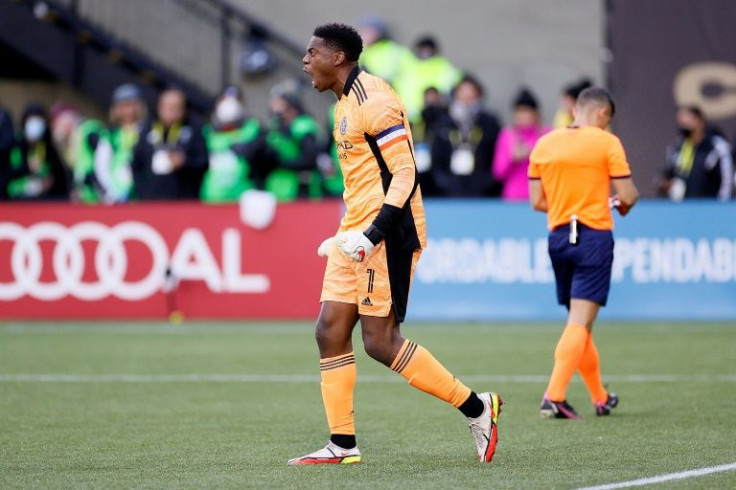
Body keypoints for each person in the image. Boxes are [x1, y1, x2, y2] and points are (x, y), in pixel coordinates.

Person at [290, 22, 501, 466]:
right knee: (328, 331)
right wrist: (350, 230)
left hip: (387, 234)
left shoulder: (376, 101)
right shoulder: (342, 103)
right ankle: (342, 445)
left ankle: (478, 408)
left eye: (312, 53)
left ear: (338, 58)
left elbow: (405, 174)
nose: (305, 60)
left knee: (380, 342)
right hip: (355, 233)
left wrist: (373, 233)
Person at [528, 87, 639, 418]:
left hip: (559, 238)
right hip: (593, 238)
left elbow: (537, 201)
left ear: (576, 109)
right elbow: (629, 195)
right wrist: (617, 204)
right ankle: (554, 395)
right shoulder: (606, 142)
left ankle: (600, 396)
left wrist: (568, 205)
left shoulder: (545, 143)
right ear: (603, 113)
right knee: (580, 320)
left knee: (579, 322)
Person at [430, 75, 502, 197]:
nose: (467, 96)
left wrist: (487, 182)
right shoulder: (444, 122)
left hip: (481, 190)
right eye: (463, 91)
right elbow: (437, 156)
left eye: (471, 91)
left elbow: (496, 153)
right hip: (450, 190)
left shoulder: (489, 122)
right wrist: (444, 183)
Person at [131, 88, 208, 200]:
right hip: (152, 201)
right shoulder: (148, 130)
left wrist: (185, 162)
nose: (175, 111)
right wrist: (143, 193)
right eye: (170, 107)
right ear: (160, 107)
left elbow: (204, 162)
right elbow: (136, 166)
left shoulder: (194, 131)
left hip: (185, 201)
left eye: (179, 107)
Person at [201, 86, 268, 202]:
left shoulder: (253, 129)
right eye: (224, 100)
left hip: (244, 197)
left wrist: (251, 149)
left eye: (235, 100)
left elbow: (266, 160)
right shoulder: (207, 131)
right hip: (212, 197)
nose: (229, 105)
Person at [659, 106, 733, 201]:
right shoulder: (678, 147)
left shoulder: (716, 147)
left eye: (687, 118)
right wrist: (667, 185)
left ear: (699, 121)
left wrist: (722, 206)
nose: (683, 123)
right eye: (681, 120)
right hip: (684, 207)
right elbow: (669, 175)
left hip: (711, 207)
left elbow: (727, 181)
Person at [264, 91, 323, 201]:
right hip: (277, 188)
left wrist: (280, 163)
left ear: (292, 109)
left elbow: (310, 159)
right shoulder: (275, 130)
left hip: (301, 187)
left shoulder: (303, 126)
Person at [493, 88, 550, 200]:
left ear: (535, 113)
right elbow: (498, 172)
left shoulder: (547, 135)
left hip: (542, 196)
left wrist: (534, 153)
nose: (523, 116)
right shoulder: (507, 135)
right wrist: (513, 159)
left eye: (526, 112)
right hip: (514, 197)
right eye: (519, 112)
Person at [50, 103, 112, 203]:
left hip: (101, 194)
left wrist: (104, 189)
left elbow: (105, 159)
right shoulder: (69, 142)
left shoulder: (89, 131)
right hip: (87, 197)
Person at [393, 35, 462, 123]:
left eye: (428, 49)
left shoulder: (442, 65)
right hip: (406, 115)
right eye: (423, 49)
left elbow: (456, 81)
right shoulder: (405, 65)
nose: (425, 52)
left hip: (432, 115)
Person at [7, 104, 69, 200]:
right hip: (14, 200)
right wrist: (27, 168)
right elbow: (6, 174)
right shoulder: (13, 144)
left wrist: (49, 183)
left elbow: (59, 176)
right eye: (31, 120)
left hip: (41, 200)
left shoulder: (46, 146)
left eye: (39, 120)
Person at [108, 83, 147, 202]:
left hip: (141, 195)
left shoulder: (148, 133)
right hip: (115, 195)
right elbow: (102, 166)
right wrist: (111, 193)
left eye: (131, 105)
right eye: (123, 106)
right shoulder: (110, 136)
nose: (128, 111)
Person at [357, 16, 411, 85]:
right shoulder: (362, 51)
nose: (362, 34)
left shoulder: (391, 51)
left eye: (367, 31)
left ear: (377, 33)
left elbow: (387, 77)